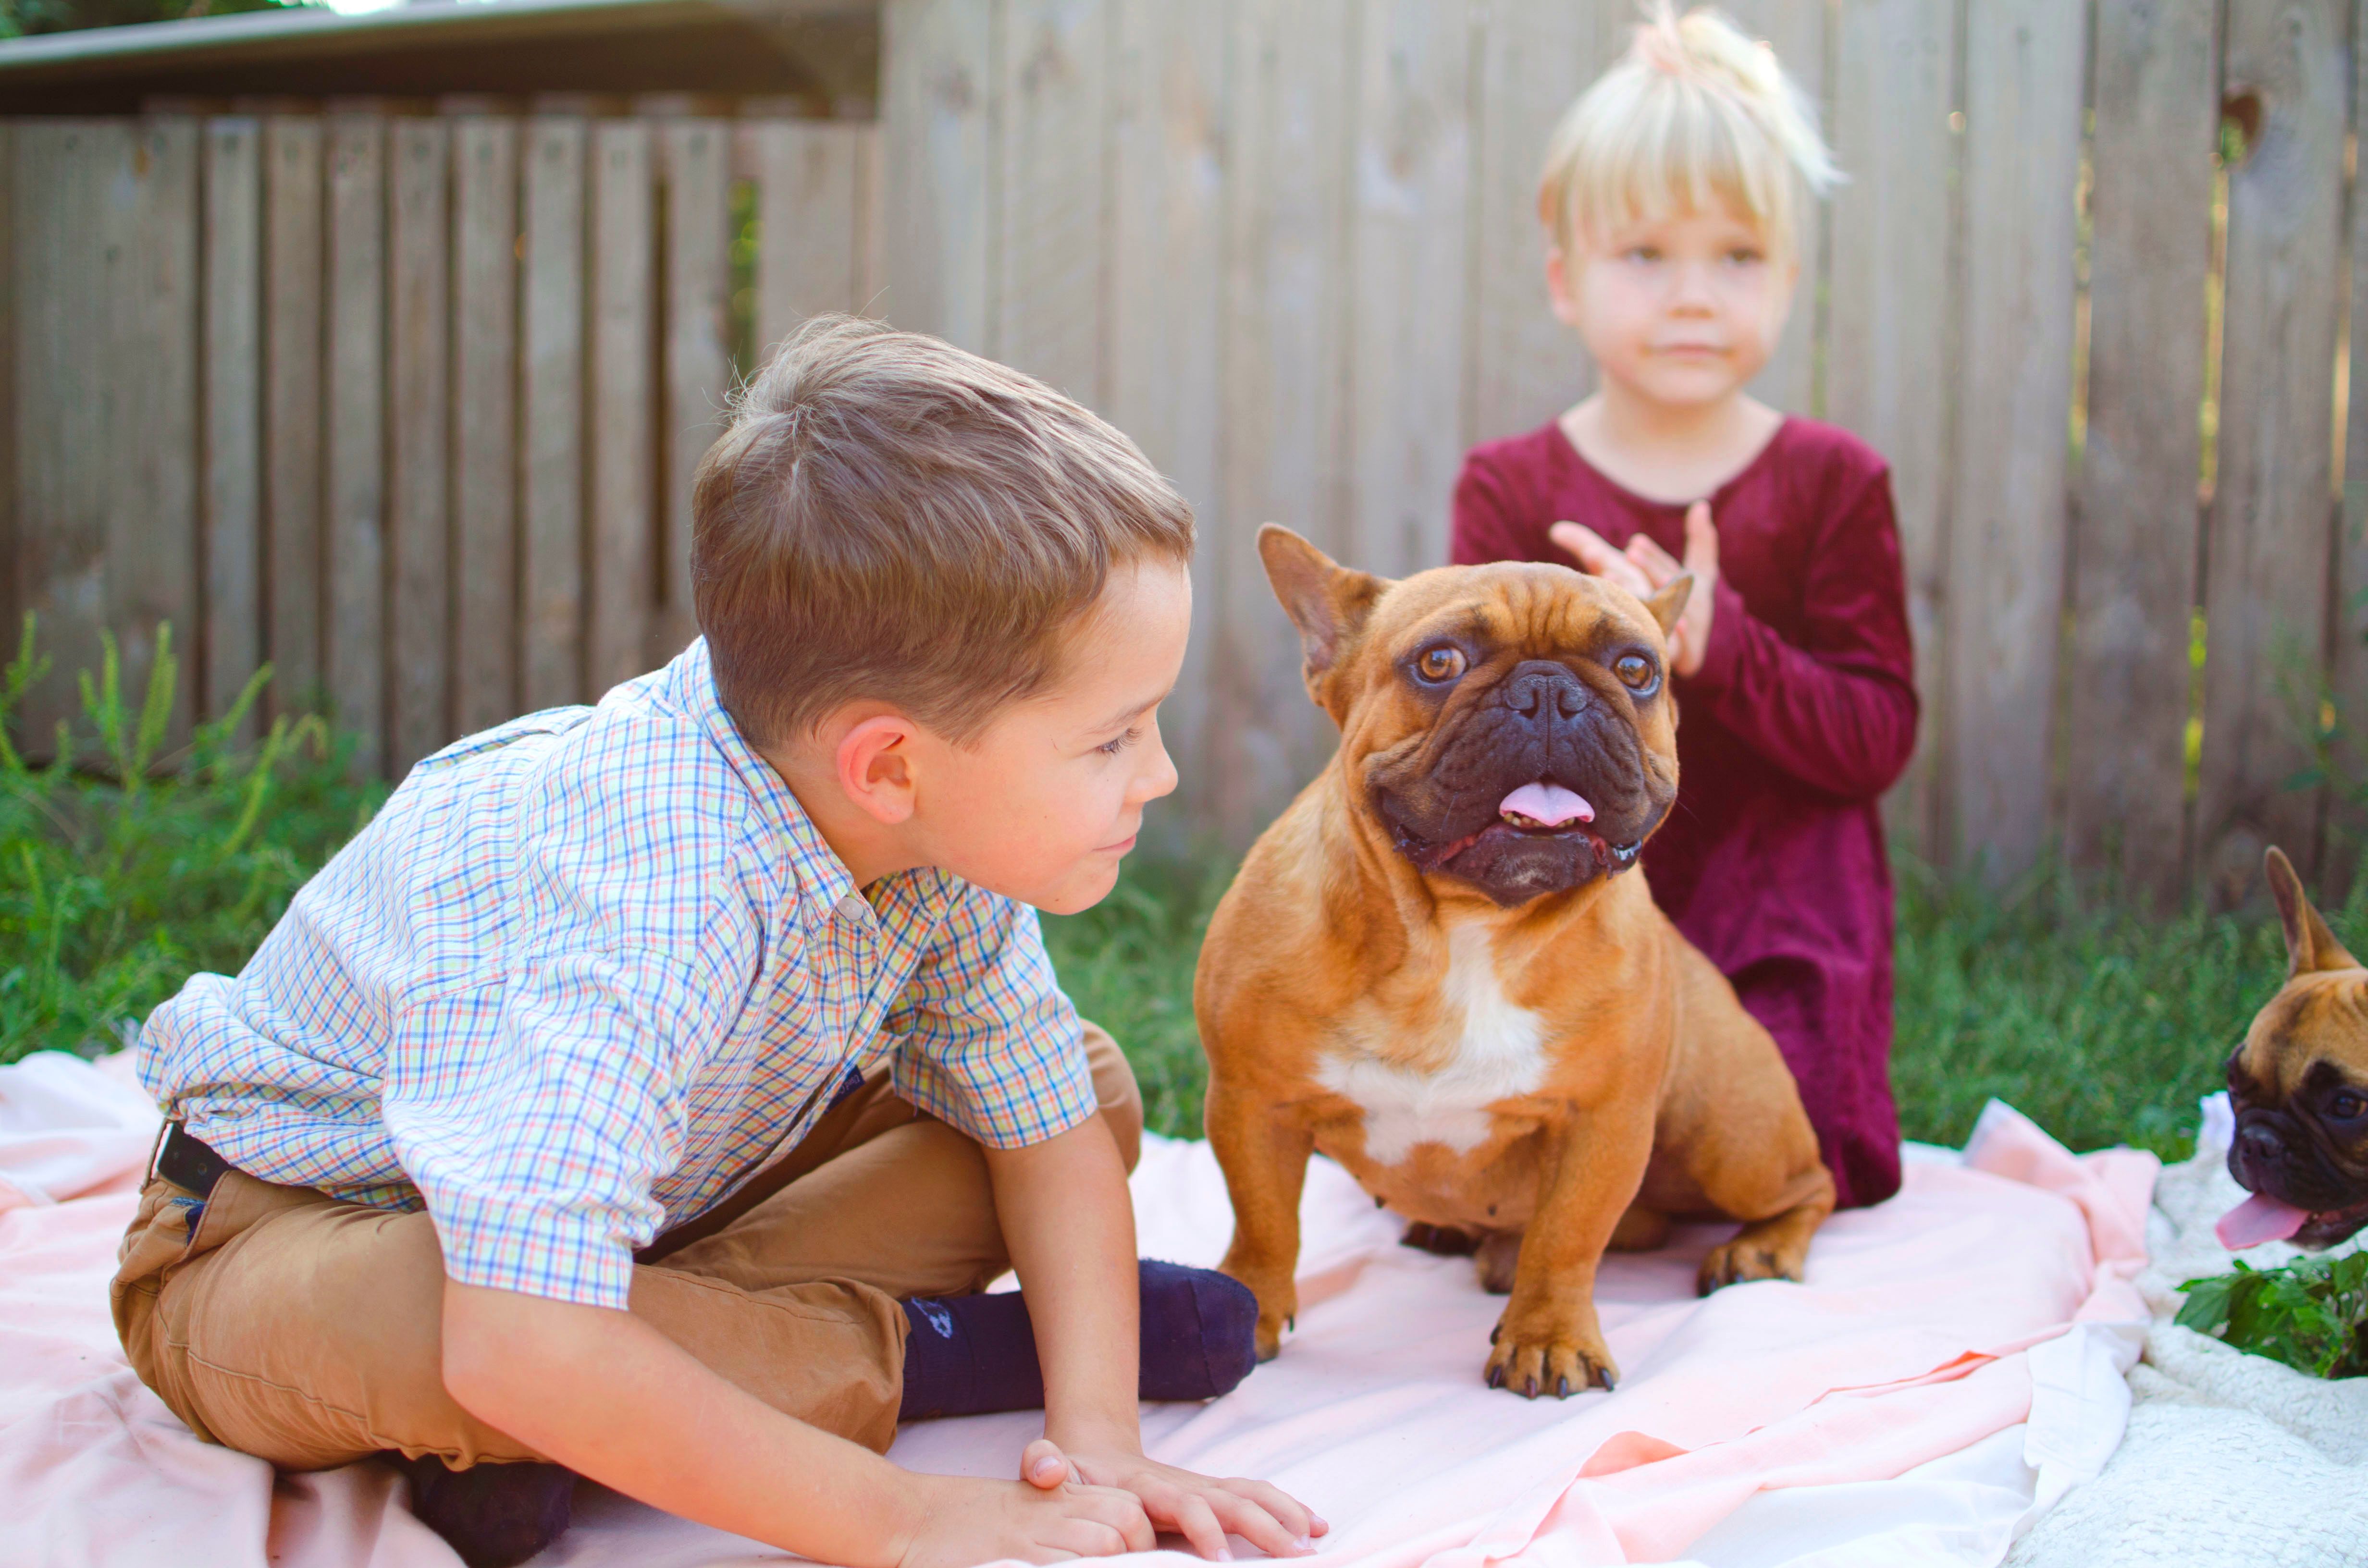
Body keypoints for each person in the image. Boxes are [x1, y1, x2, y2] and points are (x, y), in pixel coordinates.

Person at [114, 317, 1326, 1568]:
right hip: (283, 1240)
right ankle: (921, 1359)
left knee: (1079, 1093)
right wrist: (908, 1520)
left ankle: (596, 1418)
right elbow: (511, 1337)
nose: (1163, 774)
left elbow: (1042, 1126)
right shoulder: (640, 900)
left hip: (646, 1213)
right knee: (477, 1339)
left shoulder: (920, 829)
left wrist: (1102, 1438)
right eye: (1113, 738)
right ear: (890, 764)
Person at [1449, 3, 1919, 1210]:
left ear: (1789, 279)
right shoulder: (1510, 485)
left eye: (1738, 257)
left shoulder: (1832, 480)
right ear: (1566, 280)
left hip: (1782, 891)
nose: (1694, 295)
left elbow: (1874, 740)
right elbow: (1456, 725)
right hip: (1568, 882)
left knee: (1773, 1150)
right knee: (1505, 1165)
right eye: (1646, 255)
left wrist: (1723, 649)